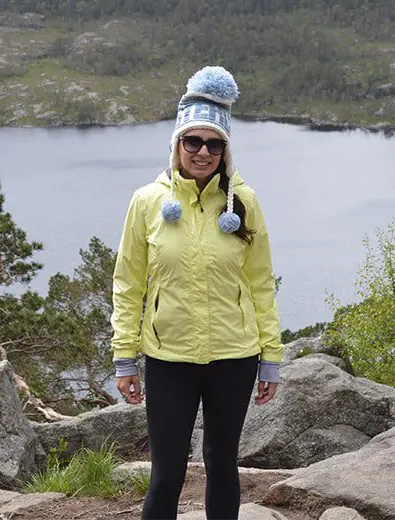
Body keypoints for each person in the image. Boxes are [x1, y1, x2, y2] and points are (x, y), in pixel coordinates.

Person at [109, 65, 283, 520]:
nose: (202, 152)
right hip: (169, 357)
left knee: (222, 464)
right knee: (166, 474)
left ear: (225, 149)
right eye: (193, 141)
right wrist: (125, 356)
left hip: (234, 354)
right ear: (176, 144)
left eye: (214, 143)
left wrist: (271, 356)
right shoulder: (148, 202)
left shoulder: (244, 202)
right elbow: (128, 283)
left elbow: (261, 282)